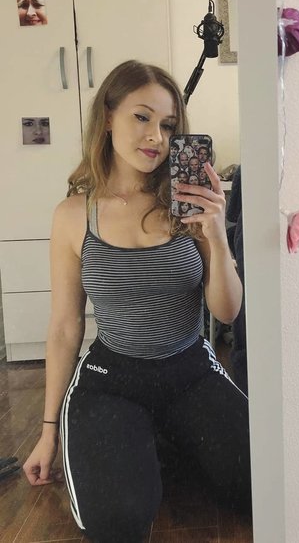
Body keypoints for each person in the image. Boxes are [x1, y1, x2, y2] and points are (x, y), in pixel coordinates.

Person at [22, 60, 251, 543]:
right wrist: (48, 431)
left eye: (168, 125)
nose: (156, 137)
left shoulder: (189, 204)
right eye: (141, 117)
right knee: (118, 523)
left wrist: (216, 233)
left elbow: (227, 312)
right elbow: (65, 327)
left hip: (191, 371)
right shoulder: (73, 216)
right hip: (112, 382)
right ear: (108, 117)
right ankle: (144, 441)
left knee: (259, 483)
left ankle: (160, 440)